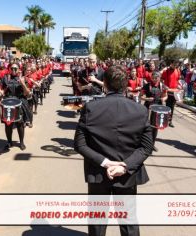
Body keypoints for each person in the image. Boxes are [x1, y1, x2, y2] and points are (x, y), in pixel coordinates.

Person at [74, 65, 153, 236]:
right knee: (128, 221)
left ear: (105, 85)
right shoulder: (140, 110)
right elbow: (146, 147)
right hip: (127, 174)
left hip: (98, 172)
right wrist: (124, 166)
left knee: (97, 221)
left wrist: (105, 163)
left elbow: (79, 144)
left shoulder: (91, 108)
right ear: (125, 86)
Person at [0, 63, 31, 151]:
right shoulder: (5, 78)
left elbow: (28, 93)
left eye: (16, 68)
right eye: (12, 68)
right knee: (8, 124)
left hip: (19, 102)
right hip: (8, 102)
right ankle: (9, 142)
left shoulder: (23, 78)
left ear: (19, 69)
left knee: (20, 124)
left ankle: (21, 142)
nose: (14, 70)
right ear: (9, 69)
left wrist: (22, 83)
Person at [141, 71, 168, 152]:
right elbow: (141, 96)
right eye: (153, 77)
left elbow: (165, 95)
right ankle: (144, 144)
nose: (154, 79)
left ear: (159, 78)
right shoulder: (147, 86)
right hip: (148, 108)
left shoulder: (162, 86)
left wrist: (164, 99)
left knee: (155, 128)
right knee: (147, 127)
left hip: (158, 109)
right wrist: (147, 99)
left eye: (156, 78)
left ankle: (152, 144)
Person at [161, 60, 181, 127]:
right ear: (171, 63)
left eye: (176, 65)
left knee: (172, 107)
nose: (175, 66)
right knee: (167, 106)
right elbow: (161, 80)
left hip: (174, 92)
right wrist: (164, 85)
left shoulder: (178, 71)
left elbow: (177, 80)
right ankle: (165, 120)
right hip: (167, 91)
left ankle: (170, 121)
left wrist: (179, 85)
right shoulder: (166, 71)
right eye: (174, 64)